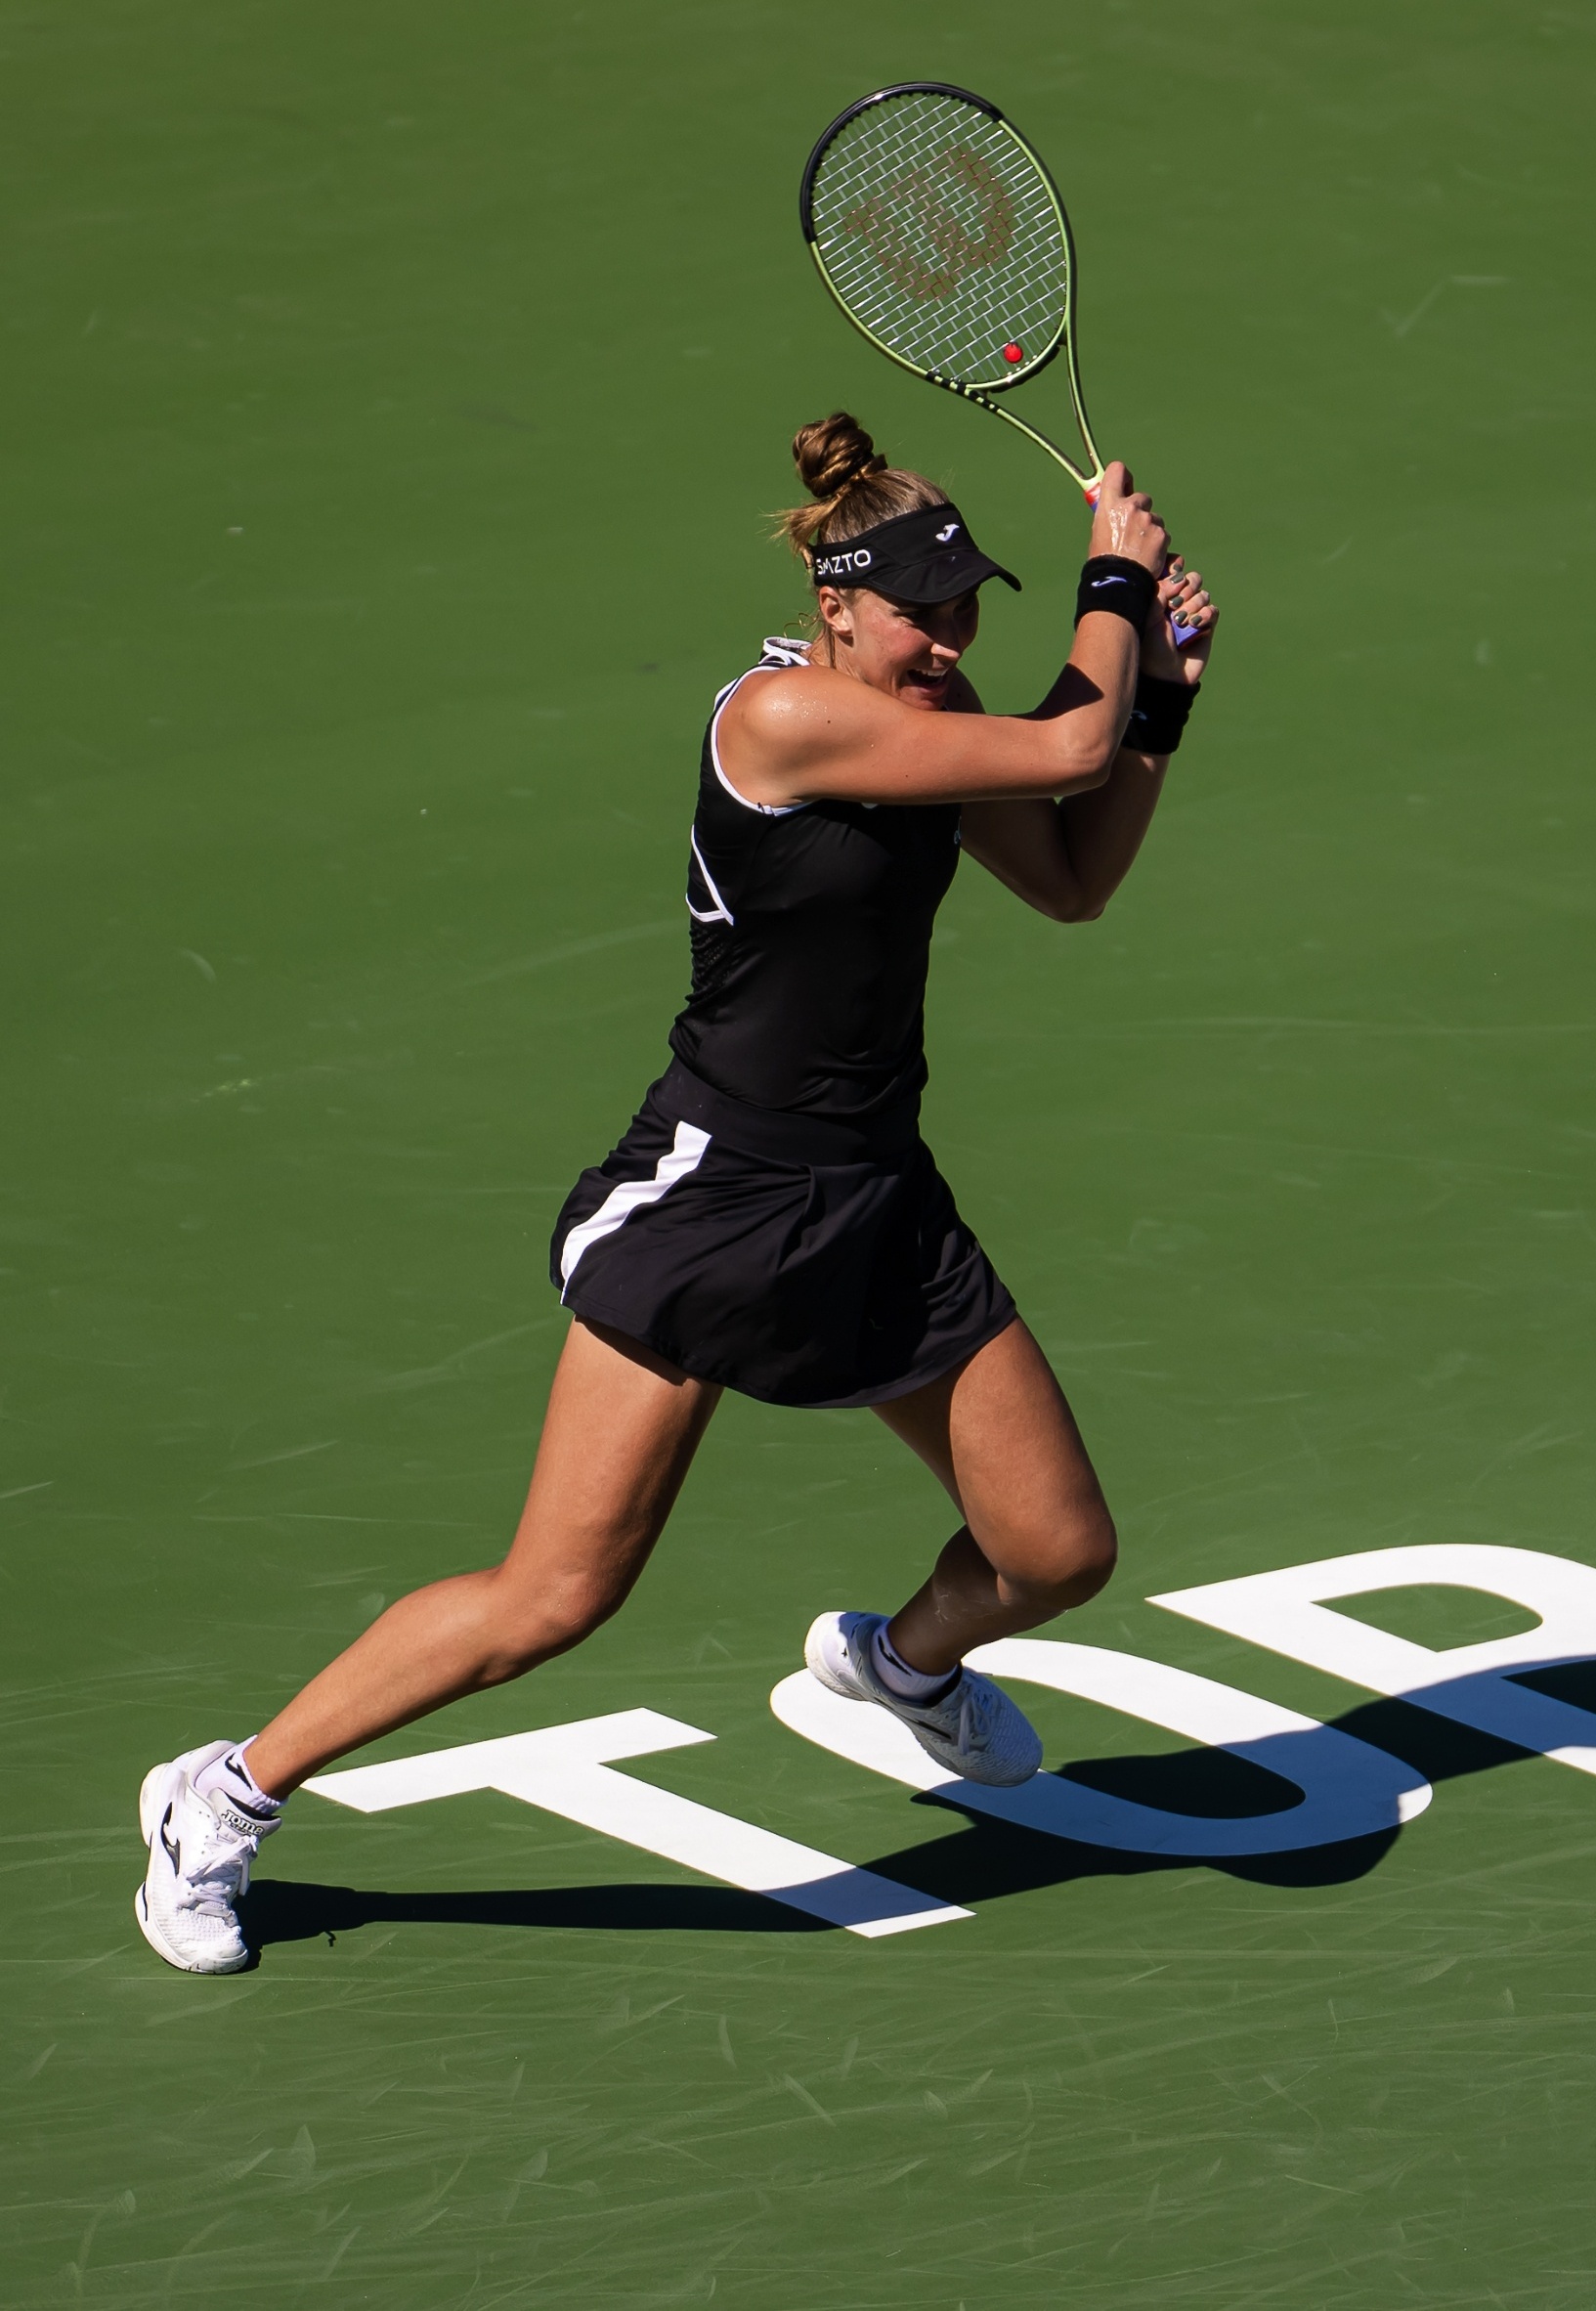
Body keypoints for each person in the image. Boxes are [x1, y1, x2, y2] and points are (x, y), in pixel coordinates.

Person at [133, 413, 1217, 1974]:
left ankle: (903, 1668)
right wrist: (1115, 586)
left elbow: (1068, 872)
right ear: (838, 605)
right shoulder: (781, 719)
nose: (952, 635)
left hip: (876, 1202)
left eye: (970, 602)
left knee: (1056, 1554)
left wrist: (1163, 692)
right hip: (719, 1204)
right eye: (923, 608)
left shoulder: (933, 707)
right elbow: (1064, 747)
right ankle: (222, 1793)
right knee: (554, 1598)